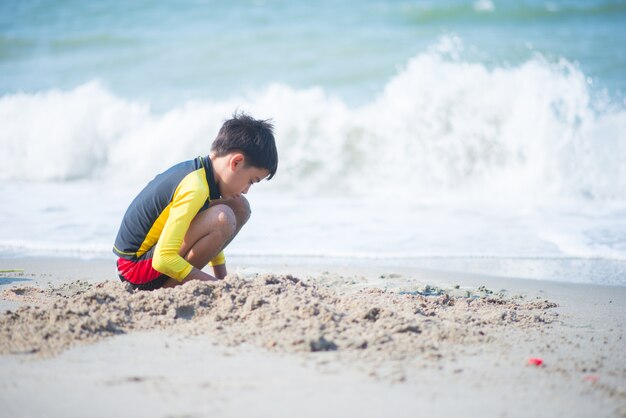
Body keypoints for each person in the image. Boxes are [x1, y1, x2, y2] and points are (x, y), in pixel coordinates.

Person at [112, 112, 278, 290]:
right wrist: (218, 287)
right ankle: (169, 289)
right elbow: (163, 259)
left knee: (239, 206)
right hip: (135, 270)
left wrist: (222, 278)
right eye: (251, 181)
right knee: (223, 217)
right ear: (236, 162)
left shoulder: (204, 176)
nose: (246, 189)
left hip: (148, 259)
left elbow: (211, 230)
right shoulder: (195, 188)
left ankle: (176, 283)